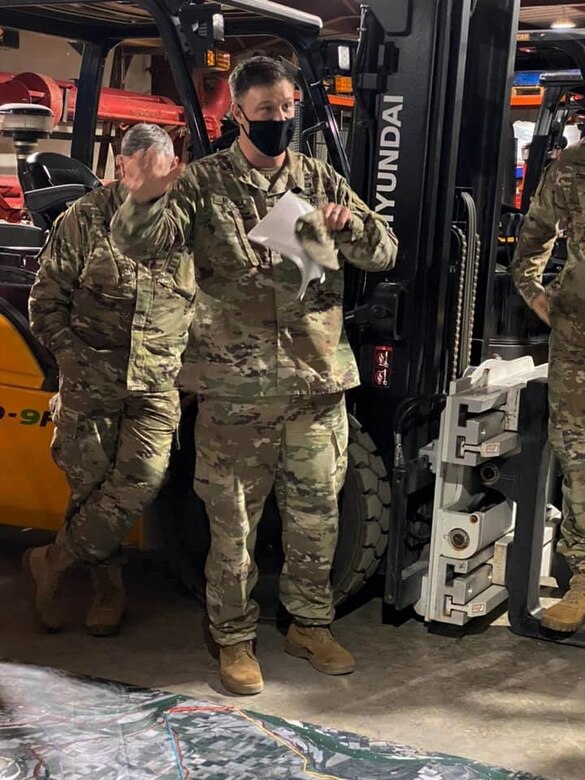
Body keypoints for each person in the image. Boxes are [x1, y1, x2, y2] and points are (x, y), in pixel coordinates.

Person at [111, 56, 398, 694]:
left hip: (317, 383)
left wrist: (351, 224)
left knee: (317, 516)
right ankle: (235, 639)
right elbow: (137, 244)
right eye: (267, 111)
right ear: (237, 113)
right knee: (234, 523)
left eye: (288, 108)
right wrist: (145, 194)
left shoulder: (318, 177)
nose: (281, 120)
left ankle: (310, 624)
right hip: (236, 390)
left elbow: (385, 250)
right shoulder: (204, 183)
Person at [25, 124, 196, 637]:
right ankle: (107, 591)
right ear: (122, 168)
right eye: (132, 171)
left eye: (155, 171)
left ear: (171, 168)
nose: (141, 181)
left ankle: (52, 561)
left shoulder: (190, 221)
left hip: (157, 382)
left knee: (142, 481)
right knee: (90, 487)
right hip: (91, 378)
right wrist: (73, 359)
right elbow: (45, 300)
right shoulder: (87, 218)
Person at [512, 140, 585, 633]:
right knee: (577, 452)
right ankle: (584, 574)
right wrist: (533, 291)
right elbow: (535, 233)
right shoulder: (576, 164)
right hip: (580, 336)